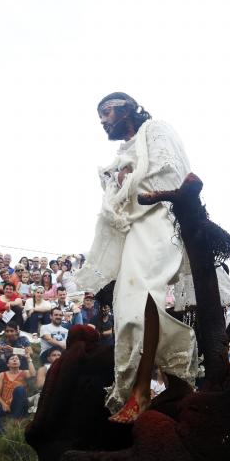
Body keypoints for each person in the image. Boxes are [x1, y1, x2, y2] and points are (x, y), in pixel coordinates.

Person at [75, 92, 198, 423]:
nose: (102, 119)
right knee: (129, 309)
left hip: (159, 222)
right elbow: (117, 202)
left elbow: (170, 175)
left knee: (144, 301)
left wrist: (126, 180)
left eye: (107, 111)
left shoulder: (156, 129)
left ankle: (142, 390)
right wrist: (117, 182)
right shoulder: (120, 154)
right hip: (134, 231)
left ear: (127, 109)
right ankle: (164, 383)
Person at [0, 353, 36, 433]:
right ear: (8, 364)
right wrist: (3, 404)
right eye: (12, 359)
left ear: (20, 363)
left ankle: (15, 419)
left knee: (20, 389)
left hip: (19, 404)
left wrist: (29, 359)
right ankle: (0, 427)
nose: (15, 360)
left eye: (17, 359)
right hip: (6, 405)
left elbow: (33, 374)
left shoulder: (24, 373)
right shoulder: (2, 374)